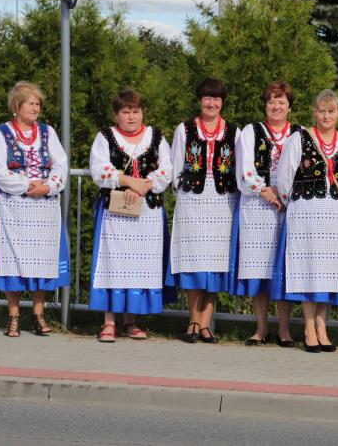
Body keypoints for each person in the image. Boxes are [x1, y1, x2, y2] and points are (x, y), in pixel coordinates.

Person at [88, 88, 173, 343]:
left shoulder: (156, 136)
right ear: (116, 114)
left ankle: (131, 321)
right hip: (115, 214)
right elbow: (99, 170)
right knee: (113, 264)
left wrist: (141, 187)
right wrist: (127, 181)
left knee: (140, 266)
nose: (131, 116)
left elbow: (166, 169)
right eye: (126, 112)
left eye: (136, 111)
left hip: (148, 212)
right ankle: (109, 322)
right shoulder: (105, 136)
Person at [276, 89, 338, 353]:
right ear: (315, 112)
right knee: (308, 270)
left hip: (334, 215)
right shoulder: (299, 138)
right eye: (322, 111)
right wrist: (296, 201)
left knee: (328, 273)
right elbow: (284, 177)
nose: (326, 116)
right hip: (305, 214)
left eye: (331, 111)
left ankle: (322, 326)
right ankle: (309, 327)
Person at [0, 81, 69, 337]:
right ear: (17, 105)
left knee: (42, 261)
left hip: (44, 207)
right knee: (12, 261)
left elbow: (60, 164)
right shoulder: (1, 133)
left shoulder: (47, 132)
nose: (35, 108)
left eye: (38, 104)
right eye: (30, 103)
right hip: (12, 207)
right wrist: (26, 185)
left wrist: (48, 186)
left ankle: (38, 314)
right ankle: (13, 316)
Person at [168, 78, 240, 344]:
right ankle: (193, 321)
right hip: (192, 201)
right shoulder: (185, 129)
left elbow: (239, 167)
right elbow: (176, 165)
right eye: (207, 98)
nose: (211, 103)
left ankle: (206, 323)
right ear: (200, 100)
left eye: (216, 99)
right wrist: (182, 193)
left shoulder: (234, 132)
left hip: (223, 202)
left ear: (222, 102)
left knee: (215, 265)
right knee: (193, 262)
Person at [233, 81, 298, 347]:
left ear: (290, 107)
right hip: (257, 206)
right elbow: (245, 167)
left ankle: (284, 329)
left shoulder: (299, 134)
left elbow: (302, 169)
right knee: (258, 268)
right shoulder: (252, 131)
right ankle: (261, 327)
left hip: (288, 206)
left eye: (281, 102)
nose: (276, 106)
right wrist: (265, 191)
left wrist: (284, 192)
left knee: (283, 269)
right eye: (271, 101)